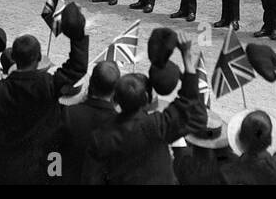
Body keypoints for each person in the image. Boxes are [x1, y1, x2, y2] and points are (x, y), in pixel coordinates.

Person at [0, 5, 89, 184]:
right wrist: (77, 36)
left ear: (14, 58)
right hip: (48, 160)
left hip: (12, 163)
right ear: (39, 58)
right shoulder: (48, 84)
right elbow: (77, 67)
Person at [85, 39, 203, 185]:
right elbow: (188, 103)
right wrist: (187, 58)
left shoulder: (101, 137)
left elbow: (92, 178)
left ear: (115, 99)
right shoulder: (157, 125)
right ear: (146, 98)